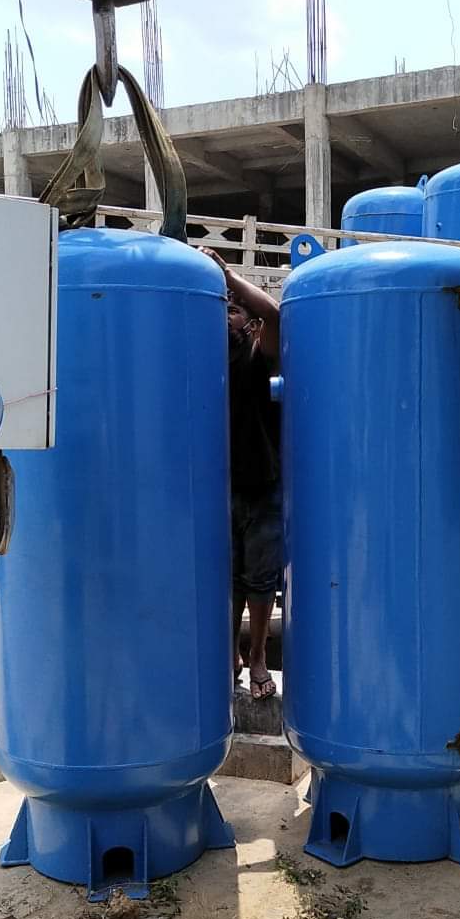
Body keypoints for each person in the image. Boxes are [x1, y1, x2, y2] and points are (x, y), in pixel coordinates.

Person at [199, 246, 281, 700]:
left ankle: (258, 657)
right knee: (228, 578)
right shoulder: (204, 359)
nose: (224, 316)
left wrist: (226, 275)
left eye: (231, 311)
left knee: (261, 581)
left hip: (262, 485)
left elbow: (274, 314)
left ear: (249, 325)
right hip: (218, 487)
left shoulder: (258, 354)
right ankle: (230, 654)